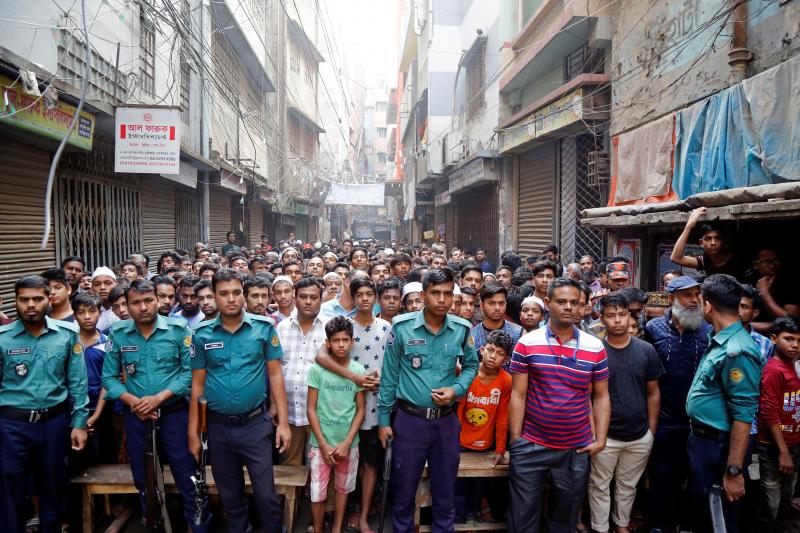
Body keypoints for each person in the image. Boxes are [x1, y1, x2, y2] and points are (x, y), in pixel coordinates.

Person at [101, 279, 209, 530]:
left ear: (158, 301)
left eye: (148, 300)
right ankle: (154, 521)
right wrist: (133, 401)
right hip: (136, 417)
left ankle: (197, 524)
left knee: (186, 473)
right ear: (126, 305)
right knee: (143, 475)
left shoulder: (178, 329)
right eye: (135, 302)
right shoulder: (118, 334)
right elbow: (108, 377)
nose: (143, 307)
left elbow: (189, 374)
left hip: (174, 414)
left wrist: (159, 398)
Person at [378, 268, 479, 533]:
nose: (442, 299)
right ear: (424, 295)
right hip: (410, 422)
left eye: (447, 293)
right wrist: (383, 421)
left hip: (446, 423)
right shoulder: (401, 327)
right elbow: (389, 377)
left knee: (445, 494)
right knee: (404, 492)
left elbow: (471, 366)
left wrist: (456, 390)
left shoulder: (461, 329)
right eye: (436, 293)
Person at [189, 269, 290, 533]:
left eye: (235, 292)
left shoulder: (263, 328)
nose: (230, 299)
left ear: (243, 294)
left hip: (255, 425)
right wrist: (193, 431)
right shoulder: (201, 335)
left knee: (266, 494)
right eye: (223, 294)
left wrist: (283, 423)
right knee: (230, 496)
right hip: (218, 427)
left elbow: (276, 374)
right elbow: (197, 384)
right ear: (214, 296)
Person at [508, 277, 610, 533]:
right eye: (561, 301)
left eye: (574, 303)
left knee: (563, 522)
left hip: (576, 449)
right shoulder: (527, 343)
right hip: (531, 445)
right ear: (547, 303)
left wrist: (600, 439)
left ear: (582, 307)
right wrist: (517, 441)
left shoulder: (594, 346)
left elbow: (601, 396)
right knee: (522, 521)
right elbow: (518, 394)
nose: (568, 307)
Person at [0, 276, 89, 532]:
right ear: (15, 302)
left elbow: (78, 382)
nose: (31, 305)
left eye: (37, 299)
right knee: (10, 489)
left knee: (52, 487)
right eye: (24, 299)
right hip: (12, 426)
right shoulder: (3, 338)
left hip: (54, 424)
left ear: (48, 299)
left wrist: (80, 423)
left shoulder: (67, 335)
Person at [686, 274, 762, 533]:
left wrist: (733, 470)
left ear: (708, 306)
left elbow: (743, 415)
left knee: (718, 516)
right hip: (704, 441)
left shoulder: (737, 350)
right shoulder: (719, 338)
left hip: (720, 446)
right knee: (703, 510)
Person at [314, 278, 388, 532]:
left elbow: (393, 364)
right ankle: (336, 518)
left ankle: (364, 516)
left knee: (369, 465)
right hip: (343, 408)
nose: (365, 298)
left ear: (376, 297)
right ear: (352, 298)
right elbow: (321, 357)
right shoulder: (346, 328)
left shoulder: (386, 327)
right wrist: (356, 378)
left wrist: (382, 382)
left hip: (376, 408)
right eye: (360, 294)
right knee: (341, 468)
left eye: (370, 293)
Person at [588, 293, 663, 533]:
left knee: (628, 485)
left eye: (622, 314)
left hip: (639, 434)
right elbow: (589, 397)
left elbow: (653, 392)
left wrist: (651, 431)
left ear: (630, 316)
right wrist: (593, 433)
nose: (618, 320)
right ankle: (600, 528)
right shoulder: (596, 352)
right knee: (599, 484)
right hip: (605, 436)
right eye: (611, 316)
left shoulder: (646, 350)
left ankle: (621, 525)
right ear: (601, 318)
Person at [644, 275, 712, 532]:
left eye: (697, 295)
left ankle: (688, 523)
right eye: (688, 295)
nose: (694, 300)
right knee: (662, 475)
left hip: (697, 420)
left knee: (694, 476)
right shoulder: (653, 329)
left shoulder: (707, 330)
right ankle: (661, 523)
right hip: (664, 416)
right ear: (671, 299)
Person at [307, 316, 366, 533]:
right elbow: (311, 409)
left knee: (343, 489)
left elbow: (360, 410)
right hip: (320, 443)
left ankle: (337, 528)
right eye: (336, 340)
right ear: (328, 342)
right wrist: (323, 444)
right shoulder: (317, 370)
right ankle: (319, 528)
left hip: (348, 444)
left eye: (345, 340)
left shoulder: (358, 371)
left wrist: (347, 442)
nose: (341, 345)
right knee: (317, 492)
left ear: (352, 341)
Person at [455, 330, 513, 523]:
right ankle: (457, 519)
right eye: (490, 350)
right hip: (461, 442)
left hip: (485, 445)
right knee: (458, 486)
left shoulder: (506, 380)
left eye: (499, 353)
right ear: (482, 350)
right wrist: (451, 443)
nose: (493, 356)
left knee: (478, 487)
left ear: (505, 359)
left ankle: (471, 516)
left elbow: (503, 416)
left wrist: (500, 449)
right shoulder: (469, 374)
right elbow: (458, 411)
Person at [755, 316, 800, 530]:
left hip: (794, 442)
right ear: (774, 339)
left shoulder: (795, 368)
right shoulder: (774, 370)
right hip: (773, 446)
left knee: (786, 497)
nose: (795, 345)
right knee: (771, 501)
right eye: (789, 339)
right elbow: (768, 411)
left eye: (799, 340)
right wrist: (783, 451)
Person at [277, 277, 327, 465]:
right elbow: (276, 369)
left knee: (319, 470)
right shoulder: (281, 328)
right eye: (303, 296)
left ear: (321, 300)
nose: (308, 301)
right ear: (294, 298)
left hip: (321, 415)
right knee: (290, 468)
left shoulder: (330, 328)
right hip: (289, 414)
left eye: (313, 297)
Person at [670, 208, 747, 280]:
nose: (713, 243)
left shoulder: (737, 260)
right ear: (701, 243)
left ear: (723, 241)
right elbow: (676, 258)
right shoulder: (704, 261)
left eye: (717, 238)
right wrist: (688, 227)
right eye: (708, 239)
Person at [470, 282, 523, 358]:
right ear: (482, 305)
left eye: (501, 303)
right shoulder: (472, 336)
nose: (497, 308)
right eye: (491, 303)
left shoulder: (518, 333)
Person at [740, 284, 775, 363]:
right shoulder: (714, 335)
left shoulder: (766, 343)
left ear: (755, 313)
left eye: (744, 306)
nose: (738, 310)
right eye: (735, 305)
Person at [91, 266, 119, 332]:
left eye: (108, 283)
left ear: (116, 285)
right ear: (91, 288)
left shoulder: (126, 309)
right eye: (97, 284)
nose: (102, 287)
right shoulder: (88, 313)